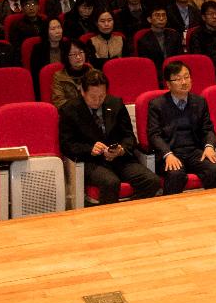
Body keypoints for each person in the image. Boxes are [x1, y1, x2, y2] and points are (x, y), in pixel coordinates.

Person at [58, 70, 159, 205]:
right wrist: (90, 149)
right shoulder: (70, 110)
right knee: (111, 182)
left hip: (119, 158)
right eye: (93, 97)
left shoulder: (115, 103)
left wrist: (121, 149)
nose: (98, 100)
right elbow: (67, 145)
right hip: (91, 162)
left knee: (152, 181)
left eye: (102, 96)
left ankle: (130, 211)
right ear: (82, 91)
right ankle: (109, 220)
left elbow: (129, 136)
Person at [145, 61, 216, 194]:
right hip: (171, 152)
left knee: (214, 170)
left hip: (194, 152)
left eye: (186, 77)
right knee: (176, 174)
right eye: (178, 79)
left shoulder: (200, 102)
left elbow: (208, 129)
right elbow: (154, 135)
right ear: (168, 84)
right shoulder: (157, 105)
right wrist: (167, 154)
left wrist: (209, 146)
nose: (184, 82)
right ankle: (172, 211)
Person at [136, 6, 184, 80]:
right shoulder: (143, 40)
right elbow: (146, 65)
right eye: (157, 15)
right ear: (149, 19)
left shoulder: (174, 35)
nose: (161, 18)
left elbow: (180, 58)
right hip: (154, 75)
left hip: (175, 72)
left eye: (163, 15)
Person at [50, 39, 98, 110]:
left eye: (81, 52)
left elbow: (99, 96)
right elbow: (59, 102)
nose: (78, 57)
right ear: (66, 57)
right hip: (70, 114)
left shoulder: (94, 73)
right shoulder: (59, 77)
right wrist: (81, 106)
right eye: (74, 54)